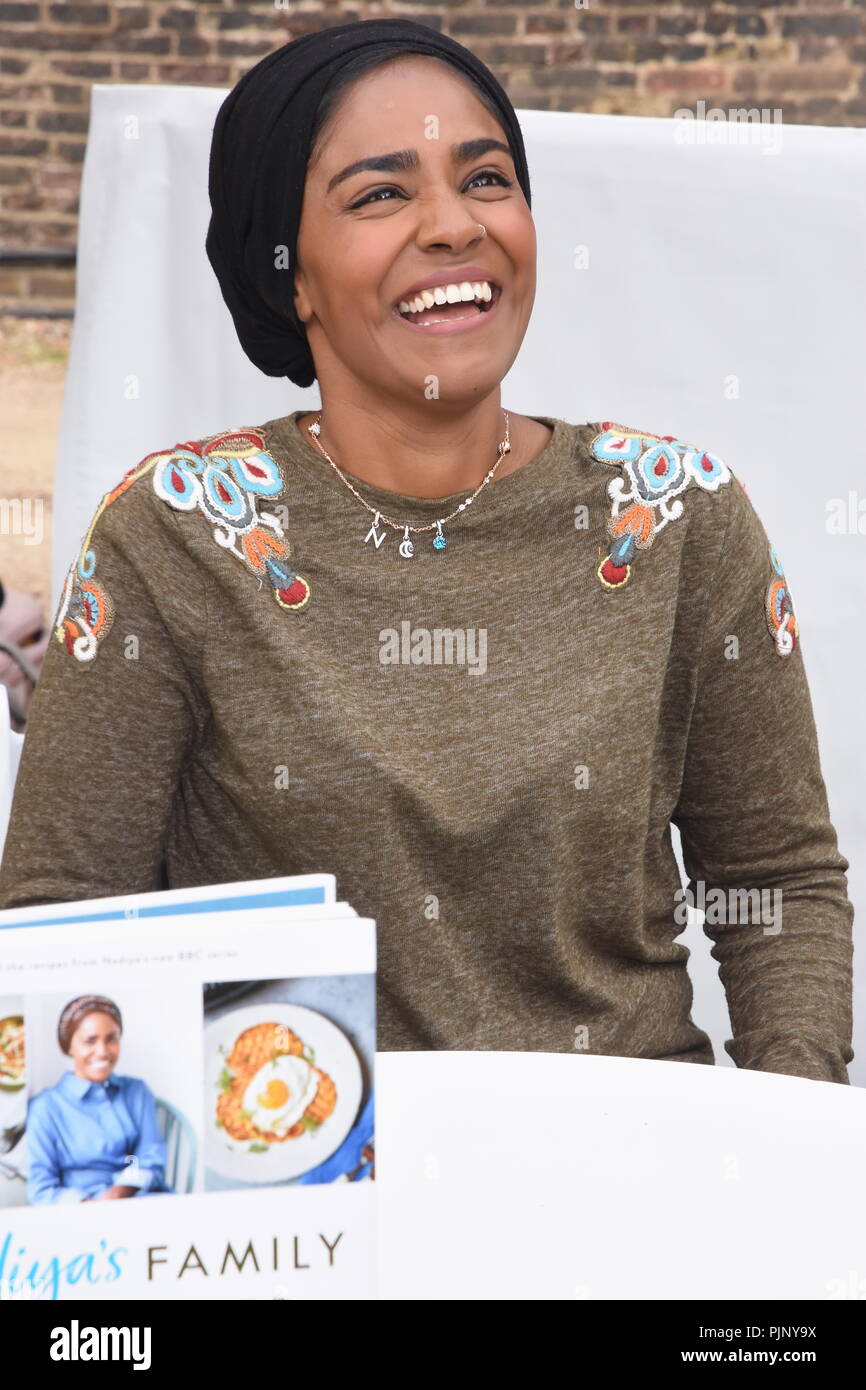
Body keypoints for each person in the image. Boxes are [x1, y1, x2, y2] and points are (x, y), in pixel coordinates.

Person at [0, 20, 854, 1083]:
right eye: (380, 193)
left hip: (635, 1178)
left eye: (485, 179)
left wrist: (787, 1141)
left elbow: (777, 884)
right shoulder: (176, 535)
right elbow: (57, 933)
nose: (453, 226)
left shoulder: (676, 516)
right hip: (315, 1205)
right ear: (289, 275)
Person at [26, 995, 171, 1204]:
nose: (102, 1051)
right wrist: (90, 1208)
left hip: (138, 1198)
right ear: (69, 1046)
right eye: (90, 1041)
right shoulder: (45, 1109)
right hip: (77, 1213)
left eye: (111, 1038)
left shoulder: (137, 1092)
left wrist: (122, 1190)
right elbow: (41, 1189)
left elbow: (150, 1156)